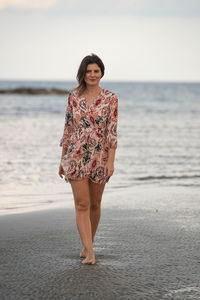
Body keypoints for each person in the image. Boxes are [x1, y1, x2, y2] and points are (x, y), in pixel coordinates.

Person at [58, 53, 118, 265]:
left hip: (100, 156)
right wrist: (62, 158)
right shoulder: (73, 97)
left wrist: (111, 161)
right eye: (88, 71)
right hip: (75, 155)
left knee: (95, 203)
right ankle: (90, 252)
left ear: (101, 73)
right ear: (82, 73)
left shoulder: (111, 98)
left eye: (96, 71)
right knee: (82, 203)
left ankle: (87, 244)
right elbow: (68, 128)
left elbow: (111, 132)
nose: (92, 74)